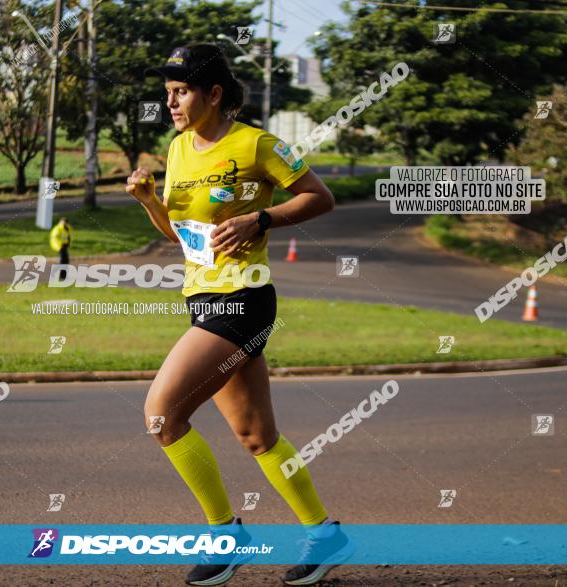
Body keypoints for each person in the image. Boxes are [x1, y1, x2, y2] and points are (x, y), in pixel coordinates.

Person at [126, 44, 353, 586]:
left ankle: (224, 536)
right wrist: (150, 201)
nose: (172, 103)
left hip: (243, 301)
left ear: (214, 93)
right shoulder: (179, 148)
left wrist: (261, 218)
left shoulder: (256, 145)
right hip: (203, 299)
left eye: (181, 93)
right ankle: (326, 536)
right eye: (168, 94)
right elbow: (186, 240)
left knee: (161, 414)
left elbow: (319, 197)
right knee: (257, 436)